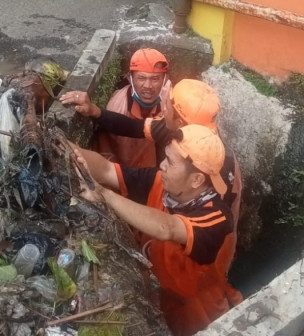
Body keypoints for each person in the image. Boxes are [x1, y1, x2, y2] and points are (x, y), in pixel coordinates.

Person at [71, 124, 243, 336]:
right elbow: (107, 170)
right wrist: (70, 150)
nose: (161, 165)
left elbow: (168, 228)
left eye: (170, 162)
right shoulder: (161, 182)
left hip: (196, 314)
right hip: (159, 297)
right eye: (164, 157)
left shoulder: (216, 216)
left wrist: (103, 195)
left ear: (197, 179)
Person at [60, 79, 242, 226]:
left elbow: (175, 229)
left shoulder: (212, 170)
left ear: (180, 122)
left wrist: (106, 196)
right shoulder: (181, 131)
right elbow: (133, 127)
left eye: (168, 105)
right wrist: (95, 111)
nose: (163, 108)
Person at [92, 48, 172, 167]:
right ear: (130, 78)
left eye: (155, 79)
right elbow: (107, 154)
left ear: (164, 80)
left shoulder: (170, 100)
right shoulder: (117, 107)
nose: (148, 86)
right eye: (141, 78)